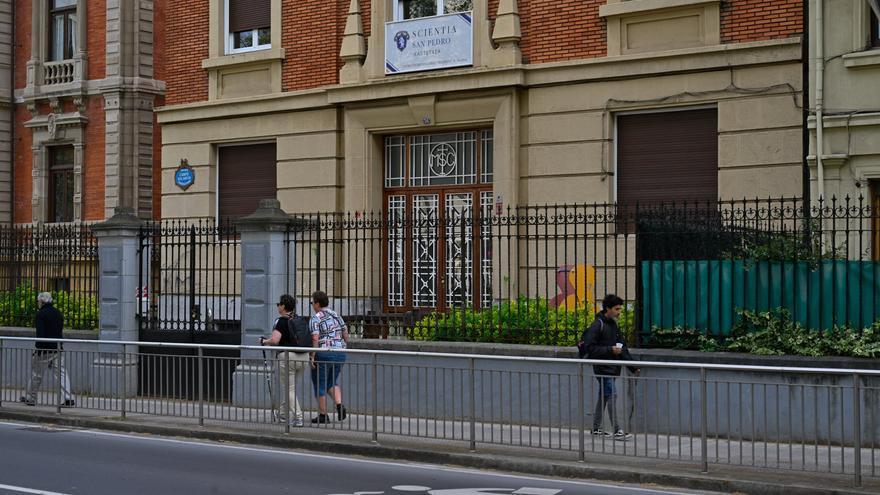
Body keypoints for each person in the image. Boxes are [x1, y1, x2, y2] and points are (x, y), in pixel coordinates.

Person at [582, 293, 638, 440]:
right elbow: (589, 347)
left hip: (611, 367)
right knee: (612, 395)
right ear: (608, 308)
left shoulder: (613, 324)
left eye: (620, 309)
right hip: (602, 368)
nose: (619, 312)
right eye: (617, 309)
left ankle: (596, 428)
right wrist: (610, 350)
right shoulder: (597, 325)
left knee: (604, 396)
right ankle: (618, 430)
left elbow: (622, 347)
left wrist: (632, 366)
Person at [260, 294, 309, 427]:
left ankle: (298, 417)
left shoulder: (281, 321)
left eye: (278, 304)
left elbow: (275, 340)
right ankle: (282, 413)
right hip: (304, 357)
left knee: (289, 389)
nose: (277, 306)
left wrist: (264, 341)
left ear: (283, 306)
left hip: (288, 357)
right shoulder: (299, 319)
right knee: (290, 388)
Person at [20, 292, 74, 407]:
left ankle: (31, 397)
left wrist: (38, 349)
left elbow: (41, 334)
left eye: (38, 301)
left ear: (42, 301)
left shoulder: (41, 314)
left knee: (37, 374)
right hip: (58, 347)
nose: (37, 303)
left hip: (44, 349)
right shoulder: (58, 313)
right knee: (62, 374)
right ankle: (68, 398)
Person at [308, 290, 349, 424]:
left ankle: (323, 415)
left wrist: (312, 355)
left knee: (320, 383)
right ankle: (339, 405)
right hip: (340, 353)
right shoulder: (336, 315)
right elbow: (346, 335)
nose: (312, 305)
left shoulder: (316, 318)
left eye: (312, 302)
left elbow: (315, 338)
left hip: (323, 352)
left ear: (317, 303)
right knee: (332, 382)